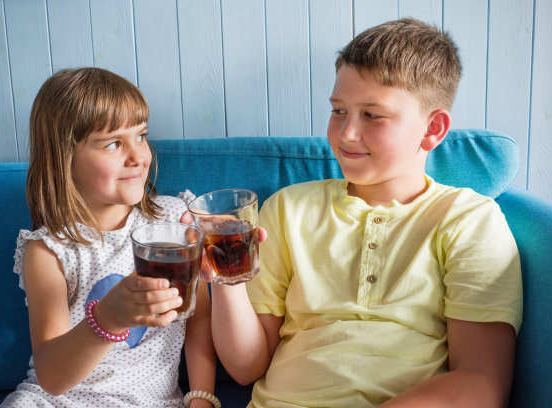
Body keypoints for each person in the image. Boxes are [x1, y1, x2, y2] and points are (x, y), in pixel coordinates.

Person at [209, 18, 523, 407]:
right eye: (339, 110)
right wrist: (227, 277)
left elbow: (481, 382)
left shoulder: (469, 219)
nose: (346, 134)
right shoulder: (289, 209)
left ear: (433, 129)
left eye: (372, 115)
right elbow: (246, 368)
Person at [0, 67, 218, 408]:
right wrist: (106, 319)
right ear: (65, 158)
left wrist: (201, 398)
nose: (138, 157)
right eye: (114, 143)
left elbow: (198, 317)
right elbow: (52, 378)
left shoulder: (175, 220)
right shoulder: (48, 251)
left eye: (141, 135)